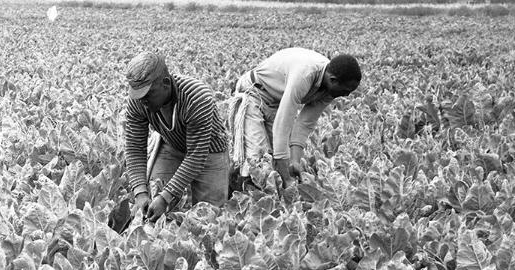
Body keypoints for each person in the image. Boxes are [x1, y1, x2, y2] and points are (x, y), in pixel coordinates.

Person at [228, 47, 361, 188]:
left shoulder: (330, 88)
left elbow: (305, 123)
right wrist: (287, 179)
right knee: (256, 159)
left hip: (275, 102)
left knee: (272, 160)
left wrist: (295, 161)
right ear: (333, 80)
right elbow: (283, 124)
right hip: (253, 93)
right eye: (345, 91)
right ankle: (239, 194)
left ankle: (243, 188)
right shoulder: (305, 75)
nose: (346, 96)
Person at [125, 52, 229, 222]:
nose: (141, 100)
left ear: (166, 83)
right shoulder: (138, 101)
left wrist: (166, 197)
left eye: (147, 94)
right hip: (172, 145)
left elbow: (196, 155)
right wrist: (140, 192)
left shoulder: (196, 98)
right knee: (152, 200)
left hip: (209, 150)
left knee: (209, 218)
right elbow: (134, 147)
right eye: (137, 95)